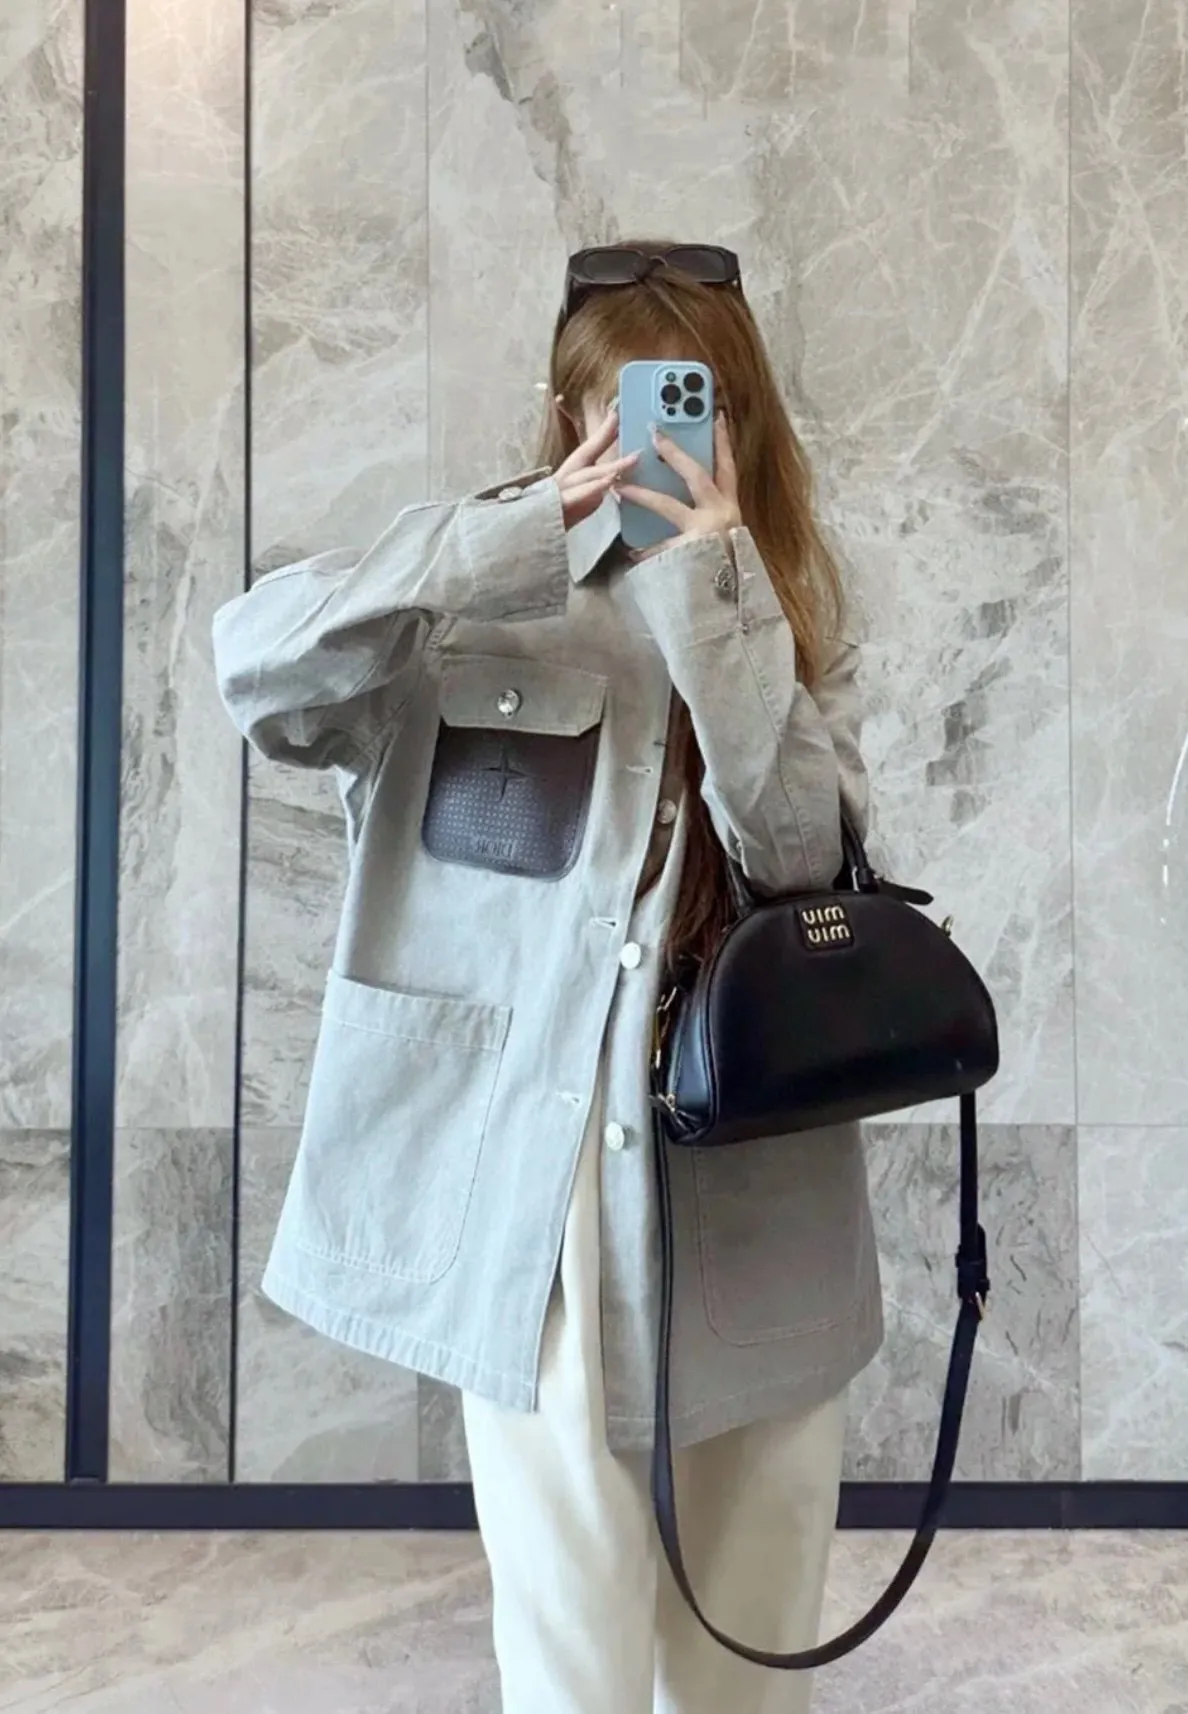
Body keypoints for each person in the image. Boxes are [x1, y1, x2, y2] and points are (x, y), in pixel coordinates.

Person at [212, 239, 883, 1714]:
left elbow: (798, 859)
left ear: (741, 421)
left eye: (687, 406)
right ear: (564, 410)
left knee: (749, 1664)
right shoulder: (458, 601)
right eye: (612, 406)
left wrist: (715, 600)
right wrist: (513, 537)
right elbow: (254, 671)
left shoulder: (785, 612)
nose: (645, 440)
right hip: (540, 1208)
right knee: (568, 1667)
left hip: (753, 1200)